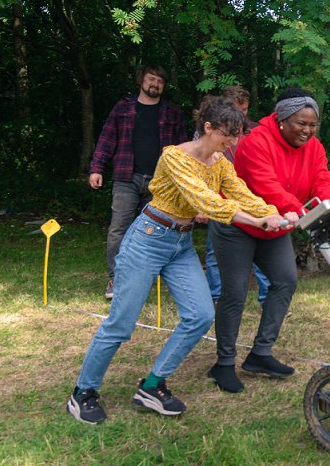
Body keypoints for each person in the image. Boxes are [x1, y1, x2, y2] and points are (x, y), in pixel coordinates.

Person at [67, 97, 291, 424]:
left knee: (200, 316)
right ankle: (83, 392)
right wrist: (254, 221)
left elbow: (241, 193)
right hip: (147, 238)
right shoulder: (175, 156)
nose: (232, 142)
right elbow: (205, 200)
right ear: (208, 127)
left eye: (237, 135)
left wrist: (272, 213)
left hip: (181, 244)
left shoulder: (220, 163)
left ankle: (153, 385)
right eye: (227, 134)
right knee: (121, 324)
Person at [207, 88, 330, 393]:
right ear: (281, 119)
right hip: (238, 225)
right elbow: (268, 187)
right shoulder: (256, 142)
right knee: (235, 293)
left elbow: (322, 179)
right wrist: (303, 212)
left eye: (312, 124)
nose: (307, 130)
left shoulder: (313, 147)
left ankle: (260, 354)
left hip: (276, 227)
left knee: (285, 280)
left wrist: (325, 210)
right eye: (300, 123)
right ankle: (223, 363)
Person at [89, 65, 189, 299]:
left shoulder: (171, 114)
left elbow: (184, 149)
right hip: (127, 177)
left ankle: (146, 276)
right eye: (151, 79)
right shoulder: (123, 108)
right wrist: (96, 168)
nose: (155, 84)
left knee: (156, 230)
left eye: (160, 81)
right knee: (119, 228)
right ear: (141, 81)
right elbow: (106, 138)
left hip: (161, 182)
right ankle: (116, 278)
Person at [200, 86, 271, 305]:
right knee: (214, 252)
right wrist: (202, 205)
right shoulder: (207, 135)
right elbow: (200, 170)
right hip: (218, 198)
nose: (242, 116)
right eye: (237, 110)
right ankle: (216, 296)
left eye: (245, 110)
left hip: (250, 194)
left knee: (259, 244)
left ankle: (268, 296)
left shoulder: (257, 131)